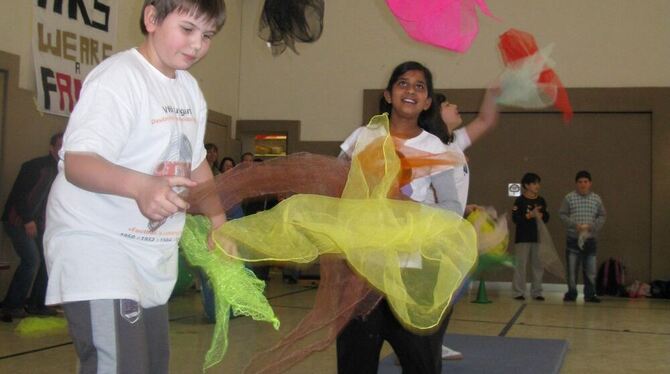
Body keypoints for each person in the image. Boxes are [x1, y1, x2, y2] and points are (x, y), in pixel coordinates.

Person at [43, 1, 228, 372]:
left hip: (150, 256)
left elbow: (196, 162)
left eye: (207, 35)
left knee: (151, 364)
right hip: (98, 246)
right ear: (152, 18)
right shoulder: (119, 78)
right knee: (120, 363)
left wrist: (219, 220)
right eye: (188, 29)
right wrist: (141, 186)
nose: (197, 45)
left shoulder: (190, 90)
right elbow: (78, 161)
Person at [336, 61, 474, 374]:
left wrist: (406, 206)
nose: (410, 89)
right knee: (354, 363)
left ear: (427, 102)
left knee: (421, 364)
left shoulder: (434, 147)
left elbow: (452, 209)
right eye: (402, 83)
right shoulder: (363, 137)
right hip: (362, 275)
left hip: (412, 276)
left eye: (419, 86)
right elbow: (337, 186)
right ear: (387, 94)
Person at [432, 87, 499, 360]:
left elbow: (485, 121)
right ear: (436, 113)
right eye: (448, 104)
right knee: (441, 292)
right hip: (435, 232)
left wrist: (493, 93)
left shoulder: (454, 142)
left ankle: (428, 343)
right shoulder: (431, 147)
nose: (455, 106)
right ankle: (425, 344)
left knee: (449, 290)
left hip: (451, 227)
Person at [1, 132, 63, 321]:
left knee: (47, 261)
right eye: (60, 145)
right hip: (17, 221)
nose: (63, 149)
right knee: (31, 261)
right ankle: (12, 305)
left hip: (37, 224)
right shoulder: (36, 167)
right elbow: (19, 194)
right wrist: (27, 219)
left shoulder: (62, 172)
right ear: (51, 148)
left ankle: (37, 304)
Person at [559, 170, 606, 303]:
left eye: (585, 182)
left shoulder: (596, 199)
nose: (583, 184)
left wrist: (592, 226)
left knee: (590, 270)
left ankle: (590, 294)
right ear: (576, 184)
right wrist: (575, 225)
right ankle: (572, 293)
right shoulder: (569, 198)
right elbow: (562, 214)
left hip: (590, 240)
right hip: (573, 239)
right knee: (572, 269)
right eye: (580, 182)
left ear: (590, 183)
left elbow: (602, 216)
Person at [511, 172, 550, 301]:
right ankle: (518, 292)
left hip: (538, 237)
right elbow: (515, 219)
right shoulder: (520, 201)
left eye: (538, 183)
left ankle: (537, 292)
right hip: (522, 238)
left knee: (538, 266)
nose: (537, 186)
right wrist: (530, 215)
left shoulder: (541, 200)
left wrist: (542, 216)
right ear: (526, 185)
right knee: (520, 265)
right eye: (534, 183)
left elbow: (547, 217)